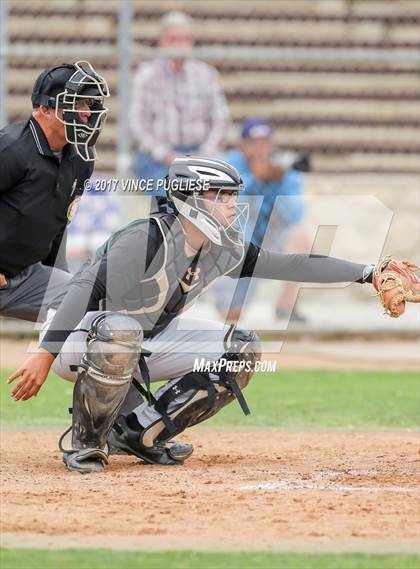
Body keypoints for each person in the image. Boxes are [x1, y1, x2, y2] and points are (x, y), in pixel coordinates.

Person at [7, 157, 419, 474]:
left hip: (141, 340)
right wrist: (44, 353)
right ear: (189, 198)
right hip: (79, 338)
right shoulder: (147, 236)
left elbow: (290, 265)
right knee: (121, 328)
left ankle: (140, 432)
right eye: (219, 196)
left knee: (241, 348)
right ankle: (87, 442)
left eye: (231, 197)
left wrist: (366, 273)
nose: (229, 206)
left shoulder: (223, 247)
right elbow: (82, 291)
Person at [0, 61, 110, 322]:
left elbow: (58, 225)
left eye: (88, 105)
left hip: (27, 275)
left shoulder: (80, 159)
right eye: (77, 103)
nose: (86, 113)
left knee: (98, 312)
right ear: (44, 109)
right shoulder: (12, 148)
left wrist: (58, 279)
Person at [215, 118, 310, 322]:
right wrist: (254, 180)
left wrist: (278, 181)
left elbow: (295, 216)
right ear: (242, 145)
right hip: (235, 247)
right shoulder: (227, 164)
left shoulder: (284, 165)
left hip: (268, 241)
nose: (260, 148)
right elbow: (227, 214)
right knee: (231, 316)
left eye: (265, 141)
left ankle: (286, 306)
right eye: (254, 142)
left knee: (299, 236)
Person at [130, 11, 229, 197]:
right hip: (158, 158)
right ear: (161, 42)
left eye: (184, 39)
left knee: (222, 195)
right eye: (172, 39)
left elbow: (220, 120)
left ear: (191, 42)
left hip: (200, 153)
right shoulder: (145, 75)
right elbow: (137, 126)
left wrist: (205, 153)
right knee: (170, 201)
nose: (179, 44)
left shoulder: (207, 75)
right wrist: (166, 155)